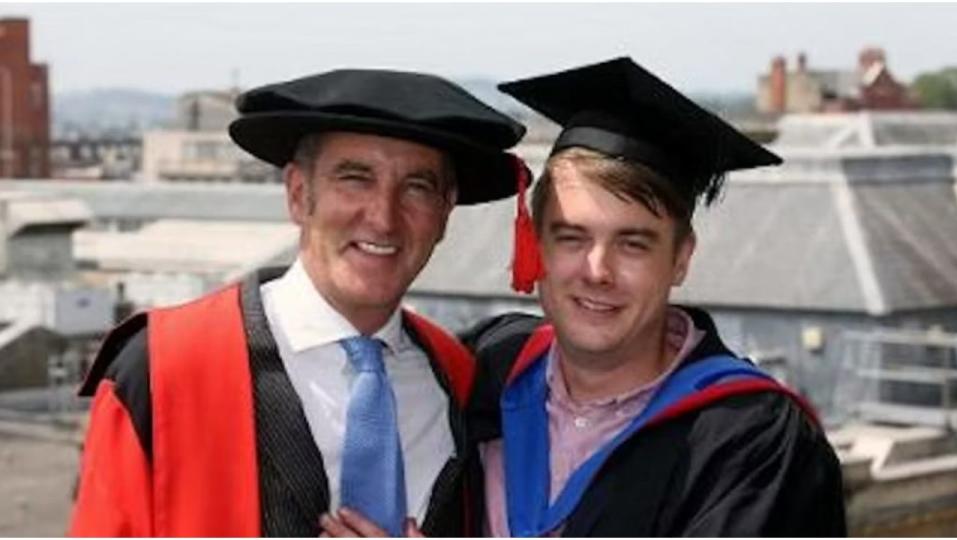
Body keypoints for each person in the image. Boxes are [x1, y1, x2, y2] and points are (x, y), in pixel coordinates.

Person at [68, 68, 529, 537]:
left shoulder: (461, 379)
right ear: (297, 193)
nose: (384, 217)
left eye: (417, 187)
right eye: (355, 178)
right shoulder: (162, 370)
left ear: (445, 213)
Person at [462, 57, 848, 536]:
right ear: (536, 243)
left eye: (633, 244)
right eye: (572, 237)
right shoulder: (488, 367)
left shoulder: (753, 442)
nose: (597, 271)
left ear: (681, 258)